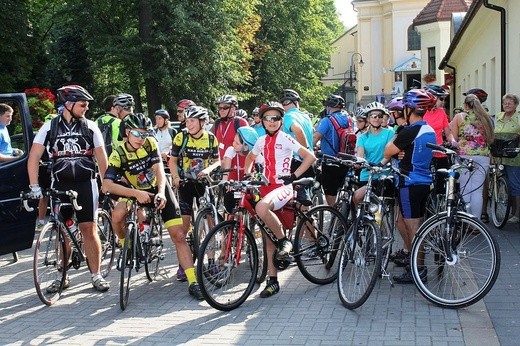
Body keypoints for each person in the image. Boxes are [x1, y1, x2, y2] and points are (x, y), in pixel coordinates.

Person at [100, 113, 200, 299]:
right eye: (137, 134)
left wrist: (161, 192)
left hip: (158, 188)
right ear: (127, 132)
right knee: (117, 215)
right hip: (135, 191)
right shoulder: (119, 153)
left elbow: (160, 171)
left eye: (145, 134)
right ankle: (126, 245)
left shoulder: (150, 144)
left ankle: (193, 281)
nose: (141, 138)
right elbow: (106, 185)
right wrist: (136, 193)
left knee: (178, 235)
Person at [27, 85, 110, 292]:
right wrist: (34, 186)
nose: (86, 108)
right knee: (62, 232)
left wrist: (107, 186)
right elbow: (34, 157)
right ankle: (61, 275)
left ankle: (96, 275)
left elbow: (102, 160)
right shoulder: (49, 127)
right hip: (60, 184)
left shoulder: (91, 126)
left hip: (86, 184)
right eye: (83, 104)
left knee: (88, 230)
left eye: (87, 105)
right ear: (68, 104)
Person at [244, 101, 316, 298]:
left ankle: (285, 242)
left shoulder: (285, 138)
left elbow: (310, 156)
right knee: (268, 238)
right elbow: (249, 158)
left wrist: (294, 176)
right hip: (267, 188)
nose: (271, 121)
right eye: (268, 118)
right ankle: (273, 281)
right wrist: (248, 174)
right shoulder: (260, 141)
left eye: (276, 118)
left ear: (281, 121)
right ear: (263, 121)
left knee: (261, 208)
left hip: (283, 188)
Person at [383, 88, 437, 284]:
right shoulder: (428, 129)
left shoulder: (410, 130)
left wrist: (398, 144)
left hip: (409, 181)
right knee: (406, 223)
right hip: (422, 182)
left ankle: (418, 269)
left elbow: (387, 150)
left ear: (408, 109)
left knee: (414, 228)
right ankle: (414, 262)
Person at [168, 106, 220, 294]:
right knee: (183, 227)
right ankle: (184, 265)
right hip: (185, 185)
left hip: (204, 184)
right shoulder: (180, 137)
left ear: (202, 122)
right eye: (187, 120)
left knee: (210, 224)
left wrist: (208, 170)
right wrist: (175, 177)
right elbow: (172, 160)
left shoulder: (211, 138)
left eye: (192, 121)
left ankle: (212, 262)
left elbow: (217, 160)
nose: (188, 124)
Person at [449, 94, 495, 221]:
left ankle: (466, 220)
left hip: (464, 155)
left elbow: (454, 138)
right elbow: (491, 138)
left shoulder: (460, 117)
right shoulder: (486, 118)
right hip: (482, 156)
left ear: (465, 105)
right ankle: (476, 222)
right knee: (477, 191)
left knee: (465, 189)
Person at [313, 95, 351, 206]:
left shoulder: (327, 120)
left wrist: (308, 149)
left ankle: (334, 214)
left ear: (329, 106)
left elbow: (315, 138)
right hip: (346, 159)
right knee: (342, 187)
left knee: (330, 192)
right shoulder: (348, 119)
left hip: (331, 161)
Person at [353, 102, 394, 205]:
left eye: (380, 116)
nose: (376, 118)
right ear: (368, 118)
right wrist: (356, 163)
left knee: (381, 209)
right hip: (367, 175)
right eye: (373, 116)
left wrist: (380, 165)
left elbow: (388, 154)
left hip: (383, 175)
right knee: (356, 198)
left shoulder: (390, 133)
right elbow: (360, 156)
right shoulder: (363, 137)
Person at [492, 93, 520, 222]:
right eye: (505, 103)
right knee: (502, 182)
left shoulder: (518, 118)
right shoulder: (498, 116)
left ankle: (517, 213)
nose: (507, 105)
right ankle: (509, 210)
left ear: (516, 105)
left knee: (515, 185)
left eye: (510, 102)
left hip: (514, 156)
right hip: (499, 155)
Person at [423, 85, 456, 173]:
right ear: (432, 98)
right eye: (441, 99)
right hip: (424, 151)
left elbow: (448, 133)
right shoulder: (421, 112)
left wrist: (453, 142)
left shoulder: (442, 112)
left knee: (443, 180)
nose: (443, 102)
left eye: (444, 99)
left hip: (440, 152)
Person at [211, 95, 248, 159]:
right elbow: (209, 139)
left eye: (225, 107)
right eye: (220, 108)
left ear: (233, 108)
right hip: (220, 163)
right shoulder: (217, 122)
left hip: (237, 164)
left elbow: (248, 146)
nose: (222, 110)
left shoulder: (240, 122)